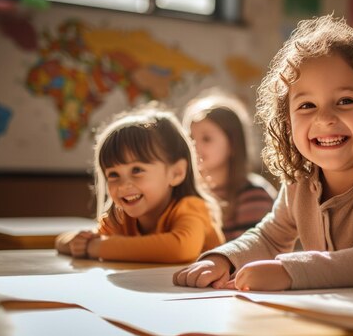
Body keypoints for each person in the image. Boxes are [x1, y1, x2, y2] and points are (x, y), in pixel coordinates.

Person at [173, 15, 353, 291]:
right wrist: (224, 259)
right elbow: (269, 238)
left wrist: (289, 271)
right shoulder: (300, 180)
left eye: (345, 101)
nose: (324, 118)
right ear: (287, 122)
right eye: (306, 106)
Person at [55, 103, 225, 263]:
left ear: (176, 173)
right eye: (113, 174)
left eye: (137, 170)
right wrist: (77, 243)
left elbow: (180, 248)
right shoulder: (122, 218)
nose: (123, 185)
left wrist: (96, 247)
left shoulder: (191, 208)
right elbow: (62, 242)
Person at [182, 88, 277, 241]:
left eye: (206, 139)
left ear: (232, 144)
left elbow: (248, 254)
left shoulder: (254, 195)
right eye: (190, 138)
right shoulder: (187, 194)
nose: (195, 146)